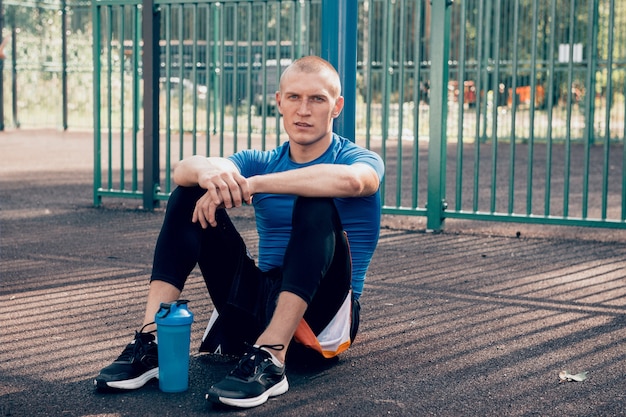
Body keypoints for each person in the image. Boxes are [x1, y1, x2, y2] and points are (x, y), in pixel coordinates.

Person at [94, 55, 384, 409]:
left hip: (320, 317)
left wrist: (256, 184)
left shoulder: (358, 159)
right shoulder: (259, 158)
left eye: (317, 99)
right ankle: (151, 342)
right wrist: (209, 178)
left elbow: (357, 182)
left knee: (316, 201)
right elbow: (184, 168)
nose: (303, 110)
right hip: (258, 304)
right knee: (188, 194)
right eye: (294, 97)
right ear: (278, 101)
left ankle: (273, 358)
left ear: (336, 107)